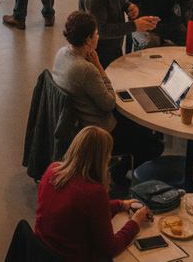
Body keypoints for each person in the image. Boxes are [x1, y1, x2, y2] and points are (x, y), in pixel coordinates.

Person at [52, 11, 163, 168]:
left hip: (78, 122)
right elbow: (109, 103)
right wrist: (98, 66)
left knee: (139, 127)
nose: (98, 37)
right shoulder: (85, 69)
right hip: (99, 130)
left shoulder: (62, 53)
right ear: (88, 40)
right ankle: (120, 172)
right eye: (96, 34)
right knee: (154, 145)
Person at [34, 125, 153, 262]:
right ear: (102, 159)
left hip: (43, 256)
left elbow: (80, 209)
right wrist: (135, 223)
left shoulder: (52, 171)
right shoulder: (94, 192)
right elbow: (110, 248)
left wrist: (121, 204)